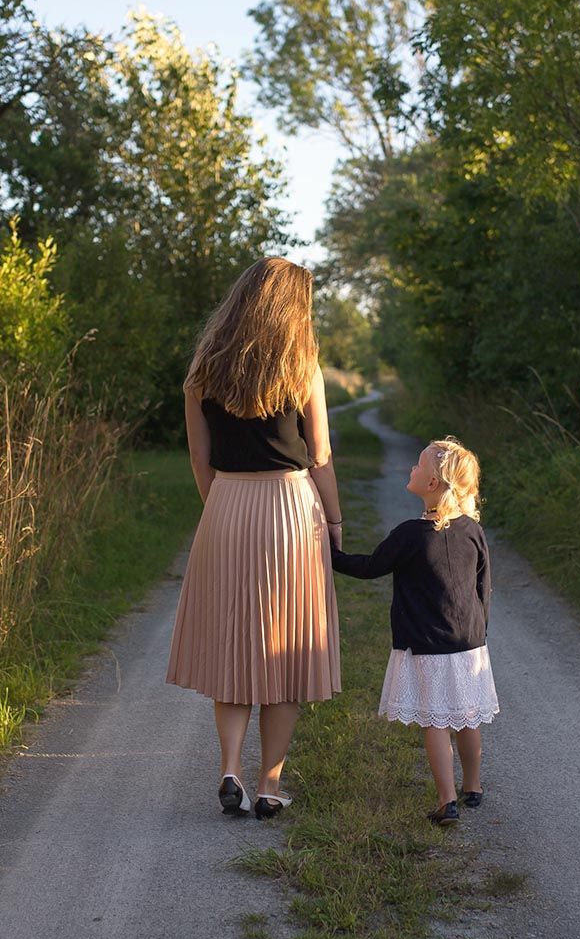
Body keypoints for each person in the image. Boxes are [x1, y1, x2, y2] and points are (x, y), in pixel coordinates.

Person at [166, 256, 342, 820]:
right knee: (284, 648)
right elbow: (319, 457)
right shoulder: (301, 365)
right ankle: (269, 784)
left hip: (227, 504)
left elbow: (199, 456)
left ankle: (229, 770)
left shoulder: (203, 368)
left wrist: (220, 507)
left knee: (234, 645)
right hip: (290, 507)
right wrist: (334, 523)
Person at [330, 437, 498, 826]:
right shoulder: (472, 530)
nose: (411, 469)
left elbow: (370, 566)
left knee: (436, 721)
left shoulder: (410, 534)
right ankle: (473, 786)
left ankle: (447, 800)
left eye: (418, 465)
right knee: (467, 717)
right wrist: (479, 632)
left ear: (433, 484)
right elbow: (483, 585)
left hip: (427, 642)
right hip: (469, 643)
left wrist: (329, 554)